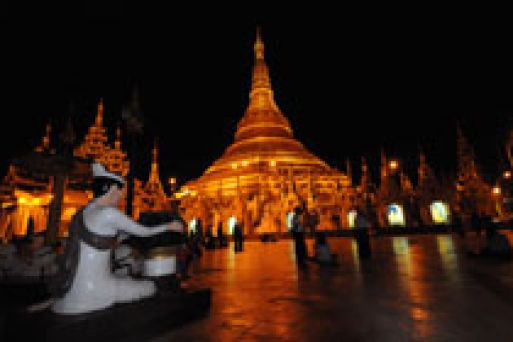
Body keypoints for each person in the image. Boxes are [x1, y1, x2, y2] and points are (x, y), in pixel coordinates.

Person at [50, 163, 184, 315]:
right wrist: (169, 226)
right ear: (113, 189)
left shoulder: (83, 212)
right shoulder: (109, 213)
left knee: (125, 276)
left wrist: (126, 235)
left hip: (73, 288)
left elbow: (110, 236)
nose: (121, 197)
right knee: (149, 287)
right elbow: (144, 232)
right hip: (96, 291)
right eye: (120, 192)